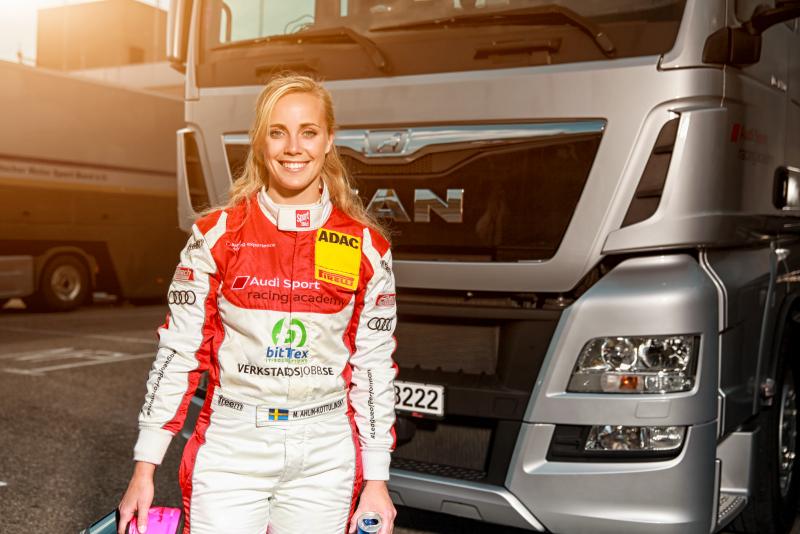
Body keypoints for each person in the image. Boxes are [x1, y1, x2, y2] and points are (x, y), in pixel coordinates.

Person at [117, 74, 398, 534]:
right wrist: (144, 469)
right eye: (278, 132)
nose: (294, 148)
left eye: (309, 132)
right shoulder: (216, 235)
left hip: (326, 454)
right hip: (232, 447)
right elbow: (179, 353)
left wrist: (377, 480)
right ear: (260, 142)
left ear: (329, 140)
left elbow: (373, 368)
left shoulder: (366, 246)